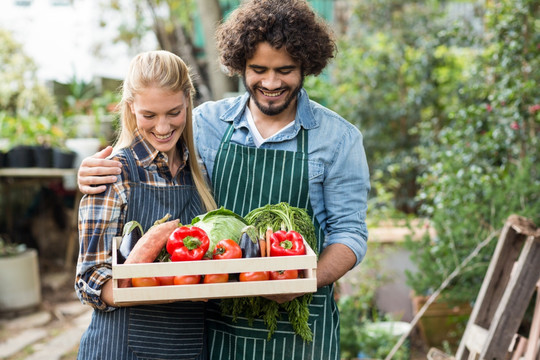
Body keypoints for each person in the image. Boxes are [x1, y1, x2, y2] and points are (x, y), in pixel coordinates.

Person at [77, 0, 370, 359]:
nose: (271, 82)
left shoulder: (339, 138)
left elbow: (350, 233)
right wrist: (96, 171)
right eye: (258, 69)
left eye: (286, 70)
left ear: (307, 64)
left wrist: (301, 281)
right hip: (216, 329)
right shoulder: (205, 124)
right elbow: (152, 146)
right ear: (240, 65)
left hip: (299, 325)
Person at [75, 50, 217, 360]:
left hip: (187, 347)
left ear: (189, 102)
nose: (163, 127)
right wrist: (159, 287)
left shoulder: (199, 172)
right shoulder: (114, 174)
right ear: (131, 108)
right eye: (149, 115)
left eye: (174, 112)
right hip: (121, 349)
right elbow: (89, 280)